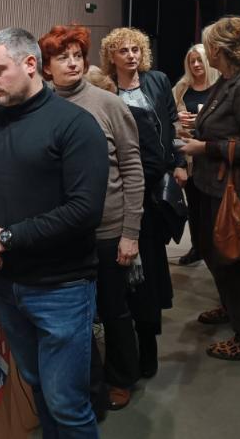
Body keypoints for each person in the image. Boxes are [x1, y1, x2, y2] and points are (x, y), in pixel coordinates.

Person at [0, 27, 108, 439]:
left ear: (30, 64)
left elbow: (84, 211)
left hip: (62, 287)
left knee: (68, 404)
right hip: (9, 286)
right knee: (39, 389)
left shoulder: (75, 125)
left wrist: (5, 238)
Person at [39, 24, 144, 412]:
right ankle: (88, 383)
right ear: (45, 67)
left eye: (77, 56)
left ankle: (122, 378)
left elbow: (132, 168)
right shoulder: (41, 108)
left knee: (114, 309)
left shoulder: (108, 104)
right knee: (75, 316)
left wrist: (130, 232)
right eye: (62, 57)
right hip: (63, 231)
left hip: (108, 228)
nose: (72, 63)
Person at [180, 16, 240, 361]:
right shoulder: (230, 81)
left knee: (236, 260)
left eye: (208, 47)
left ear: (218, 49)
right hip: (214, 186)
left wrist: (205, 147)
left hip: (235, 190)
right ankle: (232, 309)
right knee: (216, 253)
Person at [99, 27, 183, 378]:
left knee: (149, 274)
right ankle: (125, 351)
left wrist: (179, 163)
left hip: (152, 189)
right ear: (112, 56)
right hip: (120, 191)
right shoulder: (104, 89)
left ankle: (148, 350)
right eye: (124, 50)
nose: (131, 55)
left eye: (136, 49)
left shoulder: (158, 81)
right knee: (126, 277)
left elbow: (172, 127)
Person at [172, 44, 220, 265]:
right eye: (192, 61)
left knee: (214, 207)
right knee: (194, 205)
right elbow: (169, 118)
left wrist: (199, 120)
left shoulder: (220, 87)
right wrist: (178, 118)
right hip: (189, 156)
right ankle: (197, 248)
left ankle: (217, 250)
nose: (196, 65)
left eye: (200, 60)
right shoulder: (181, 88)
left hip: (213, 154)